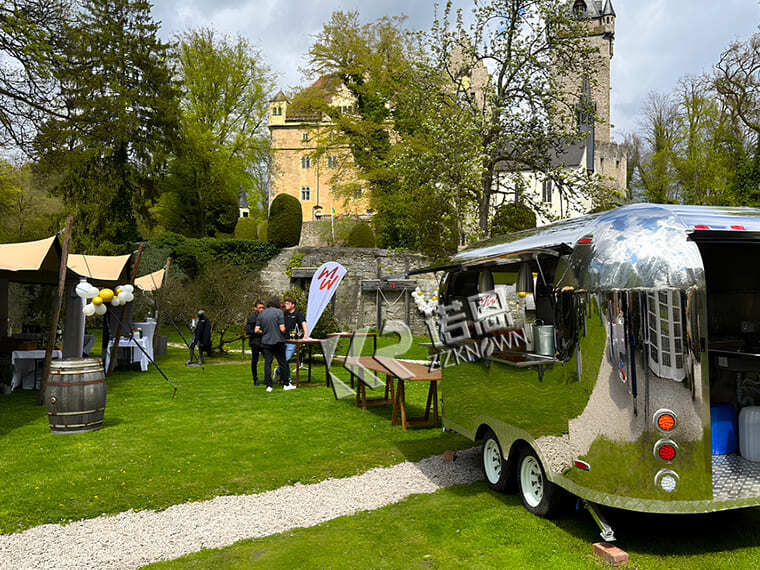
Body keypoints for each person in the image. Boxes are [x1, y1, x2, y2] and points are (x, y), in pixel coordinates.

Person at [255, 298, 296, 392]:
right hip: (278, 341)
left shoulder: (262, 313)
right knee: (282, 362)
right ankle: (286, 384)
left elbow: (256, 330)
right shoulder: (279, 312)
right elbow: (282, 328)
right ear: (277, 304)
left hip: (265, 342)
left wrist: (265, 332)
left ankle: (269, 386)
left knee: (267, 363)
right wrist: (286, 331)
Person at [276, 296, 308, 381]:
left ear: (293, 305)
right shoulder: (283, 314)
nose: (285, 305)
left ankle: (278, 371)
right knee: (283, 360)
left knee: (286, 359)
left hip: (292, 341)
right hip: (282, 339)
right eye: (285, 303)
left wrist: (306, 334)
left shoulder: (298, 314)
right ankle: (287, 377)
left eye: (287, 303)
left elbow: (303, 323)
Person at [245, 300, 265, 386]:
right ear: (255, 308)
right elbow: (248, 331)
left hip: (264, 342)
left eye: (263, 307)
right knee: (254, 361)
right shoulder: (251, 318)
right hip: (255, 342)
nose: (261, 309)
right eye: (259, 307)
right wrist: (258, 332)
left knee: (268, 360)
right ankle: (255, 378)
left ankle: (267, 378)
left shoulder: (265, 316)